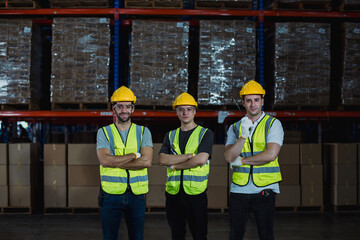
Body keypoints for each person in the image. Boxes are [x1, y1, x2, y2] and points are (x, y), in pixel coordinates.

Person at [224, 80, 283, 240]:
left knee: (266, 235)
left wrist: (242, 161)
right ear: (243, 102)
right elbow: (229, 157)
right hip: (239, 190)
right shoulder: (235, 128)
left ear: (262, 101)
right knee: (235, 235)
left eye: (256, 100)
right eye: (248, 100)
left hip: (264, 188)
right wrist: (243, 136)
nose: (253, 104)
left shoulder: (273, 124)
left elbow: (271, 154)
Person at [96, 86, 153, 240]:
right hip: (110, 194)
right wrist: (134, 155)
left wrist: (115, 161)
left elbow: (147, 161)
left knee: (137, 237)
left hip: (137, 195)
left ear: (133, 109)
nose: (124, 110)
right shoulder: (104, 132)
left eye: (128, 106)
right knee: (109, 237)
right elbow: (104, 160)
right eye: (120, 106)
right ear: (114, 109)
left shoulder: (143, 132)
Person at [158, 92, 214, 240]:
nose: (185, 112)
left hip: (196, 195)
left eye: (189, 109)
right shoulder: (170, 135)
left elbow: (201, 159)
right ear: (176, 112)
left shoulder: (205, 134)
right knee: (176, 235)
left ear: (195, 111)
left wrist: (175, 165)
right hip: (173, 194)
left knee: (199, 235)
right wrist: (188, 156)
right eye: (181, 109)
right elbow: (162, 159)